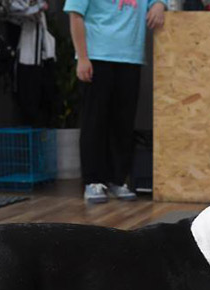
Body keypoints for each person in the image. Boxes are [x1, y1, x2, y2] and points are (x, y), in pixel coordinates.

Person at [64, 0, 167, 203]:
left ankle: (118, 180)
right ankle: (93, 181)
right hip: (97, 57)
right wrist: (82, 58)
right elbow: (75, 15)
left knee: (123, 123)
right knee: (94, 122)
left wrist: (159, 5)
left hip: (130, 58)